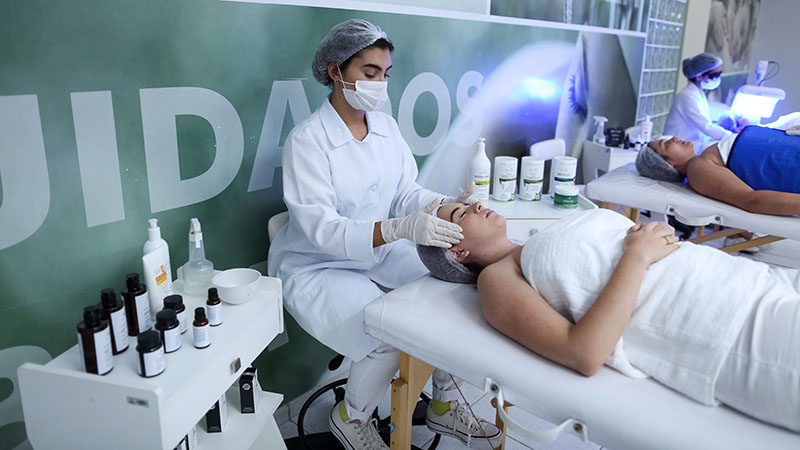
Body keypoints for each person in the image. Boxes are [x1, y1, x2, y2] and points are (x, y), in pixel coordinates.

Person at [267, 19, 501, 450]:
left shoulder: (385, 127)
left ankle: (444, 405)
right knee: (383, 332)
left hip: (375, 251)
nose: (380, 83)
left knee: (451, 296)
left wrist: (449, 204)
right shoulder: (307, 142)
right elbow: (324, 231)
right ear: (336, 71)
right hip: (316, 265)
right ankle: (350, 417)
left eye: (385, 73)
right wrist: (399, 228)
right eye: (369, 72)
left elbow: (406, 191)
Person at [417, 201, 800, 432]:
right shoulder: (497, 281)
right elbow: (583, 353)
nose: (477, 205)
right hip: (732, 327)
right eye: (461, 213)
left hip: (752, 279)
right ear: (457, 254)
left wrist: (652, 235)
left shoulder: (535, 241)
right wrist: (637, 254)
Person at [635, 125, 800, 216]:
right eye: (667, 144)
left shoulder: (705, 158)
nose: (675, 138)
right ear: (666, 165)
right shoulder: (697, 170)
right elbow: (751, 201)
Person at [664, 52, 734, 153]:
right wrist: (732, 137)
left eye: (719, 74)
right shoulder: (687, 96)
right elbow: (705, 126)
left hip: (687, 146)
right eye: (715, 75)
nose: (718, 79)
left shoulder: (698, 93)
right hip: (675, 149)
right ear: (699, 76)